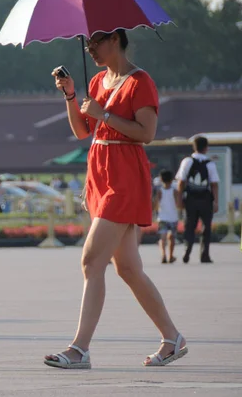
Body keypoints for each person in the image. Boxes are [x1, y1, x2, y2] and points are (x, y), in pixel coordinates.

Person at [44, 29, 187, 369]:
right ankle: (172, 338)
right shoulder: (96, 82)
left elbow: (146, 134)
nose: (90, 48)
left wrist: (104, 113)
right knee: (128, 268)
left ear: (116, 40)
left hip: (124, 176)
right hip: (100, 172)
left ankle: (79, 349)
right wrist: (70, 96)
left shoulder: (140, 82)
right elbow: (82, 131)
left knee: (92, 260)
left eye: (95, 41)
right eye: (88, 43)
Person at [175, 136, 219, 264]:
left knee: (190, 225)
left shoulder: (187, 161)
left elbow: (181, 181)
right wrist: (215, 201)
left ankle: (187, 250)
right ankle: (204, 255)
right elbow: (214, 184)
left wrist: (179, 199)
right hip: (206, 199)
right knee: (206, 227)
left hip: (191, 199)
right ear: (206, 148)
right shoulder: (210, 164)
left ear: (194, 147)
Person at [154, 169, 179, 263]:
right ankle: (171, 256)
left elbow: (156, 204)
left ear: (161, 179)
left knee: (162, 237)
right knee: (172, 237)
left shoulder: (160, 191)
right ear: (172, 179)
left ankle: (163, 254)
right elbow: (178, 204)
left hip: (162, 217)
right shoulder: (174, 191)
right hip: (173, 217)